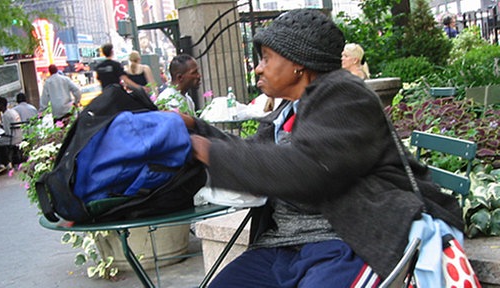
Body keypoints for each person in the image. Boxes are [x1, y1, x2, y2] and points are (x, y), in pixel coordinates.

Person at [179, 9, 462, 287]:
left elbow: (309, 168)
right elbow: (255, 153)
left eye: (266, 58)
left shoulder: (347, 98)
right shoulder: (289, 110)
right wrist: (193, 127)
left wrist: (208, 151)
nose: (258, 67)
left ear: (298, 62)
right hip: (283, 246)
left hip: (349, 242)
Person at [0, 97, 22, 172]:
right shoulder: (12, 112)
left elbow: (7, 133)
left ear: (2, 105)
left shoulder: (5, 115)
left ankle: (2, 163)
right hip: (19, 135)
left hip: (12, 138)